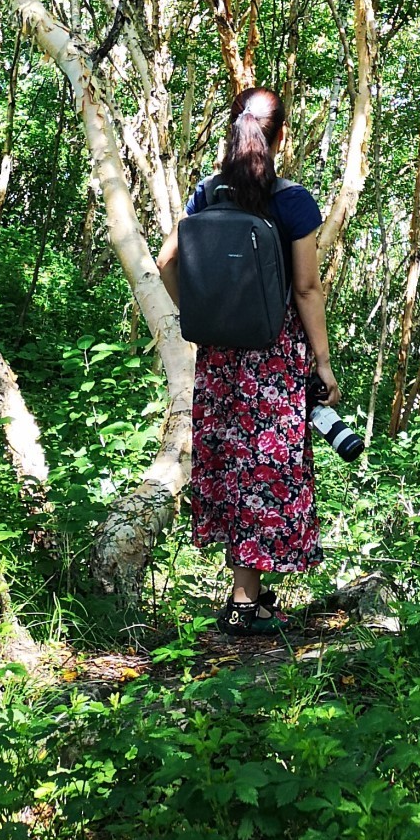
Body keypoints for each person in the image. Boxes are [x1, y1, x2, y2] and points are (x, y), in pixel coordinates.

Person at [156, 86, 339, 636]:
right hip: (273, 357)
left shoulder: (207, 194)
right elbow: (306, 290)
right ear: (280, 136)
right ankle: (243, 603)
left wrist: (203, 312)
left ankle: (248, 596)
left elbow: (167, 262)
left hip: (220, 359)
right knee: (265, 470)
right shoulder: (292, 200)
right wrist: (323, 363)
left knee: (233, 467)